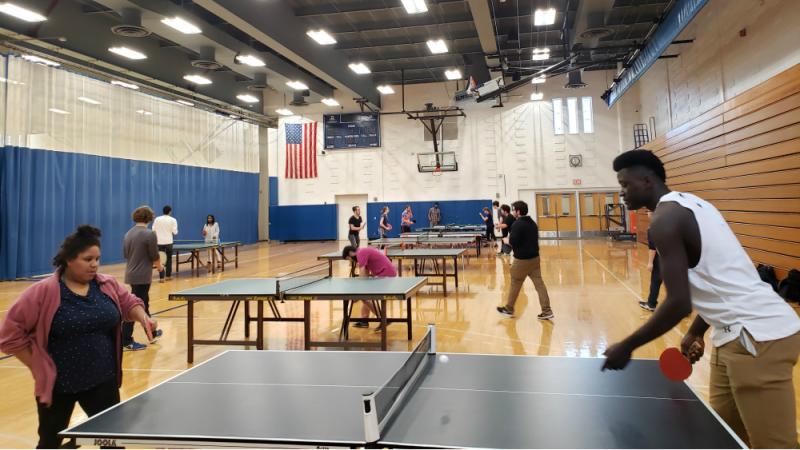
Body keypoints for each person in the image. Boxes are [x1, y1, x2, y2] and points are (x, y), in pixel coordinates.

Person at [602, 149, 800, 449]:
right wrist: (696, 330)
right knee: (722, 437)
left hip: (758, 337)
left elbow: (678, 302)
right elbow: (718, 276)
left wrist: (627, 346)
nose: (622, 192)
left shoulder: (665, 221)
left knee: (774, 445)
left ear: (646, 180)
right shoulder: (695, 204)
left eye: (625, 184)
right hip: (730, 336)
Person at [0, 225, 157, 449]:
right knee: (49, 443)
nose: (94, 264)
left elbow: (128, 302)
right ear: (69, 260)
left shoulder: (106, 284)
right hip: (58, 385)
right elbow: (9, 335)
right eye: (88, 259)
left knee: (112, 442)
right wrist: (37, 365)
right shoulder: (42, 292)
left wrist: (143, 317)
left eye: (97, 259)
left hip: (103, 380)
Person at [497, 201, 553, 320]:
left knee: (515, 282)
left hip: (522, 260)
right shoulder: (532, 223)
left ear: (518, 211)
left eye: (513, 210)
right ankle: (547, 310)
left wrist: (505, 240)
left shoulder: (517, 224)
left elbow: (513, 242)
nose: (512, 212)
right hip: (535, 259)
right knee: (540, 285)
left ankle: (509, 308)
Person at [122, 206, 163, 351]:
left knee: (144, 304)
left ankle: (151, 333)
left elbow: (126, 255)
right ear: (149, 218)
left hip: (131, 274)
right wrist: (160, 267)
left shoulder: (128, 234)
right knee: (135, 307)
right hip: (142, 276)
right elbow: (154, 255)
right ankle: (126, 340)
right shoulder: (149, 234)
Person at [342, 245, 397, 329]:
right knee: (366, 297)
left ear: (350, 253)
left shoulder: (360, 253)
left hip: (385, 274)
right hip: (385, 273)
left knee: (365, 297)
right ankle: (364, 320)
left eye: (348, 259)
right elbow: (366, 274)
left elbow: (362, 270)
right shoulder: (363, 252)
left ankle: (384, 319)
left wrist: (359, 290)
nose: (350, 261)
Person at [152, 205, 178, 282]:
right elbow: (175, 232)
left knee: (161, 259)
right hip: (169, 242)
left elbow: (153, 230)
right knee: (169, 259)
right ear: (170, 211)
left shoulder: (157, 219)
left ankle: (161, 278)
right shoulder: (173, 220)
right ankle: (168, 276)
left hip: (159, 242)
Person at [640, 220, 661, 312]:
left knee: (655, 281)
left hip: (661, 260)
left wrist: (650, 262)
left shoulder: (653, 228)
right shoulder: (672, 224)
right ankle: (684, 308)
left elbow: (653, 248)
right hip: (676, 258)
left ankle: (651, 304)